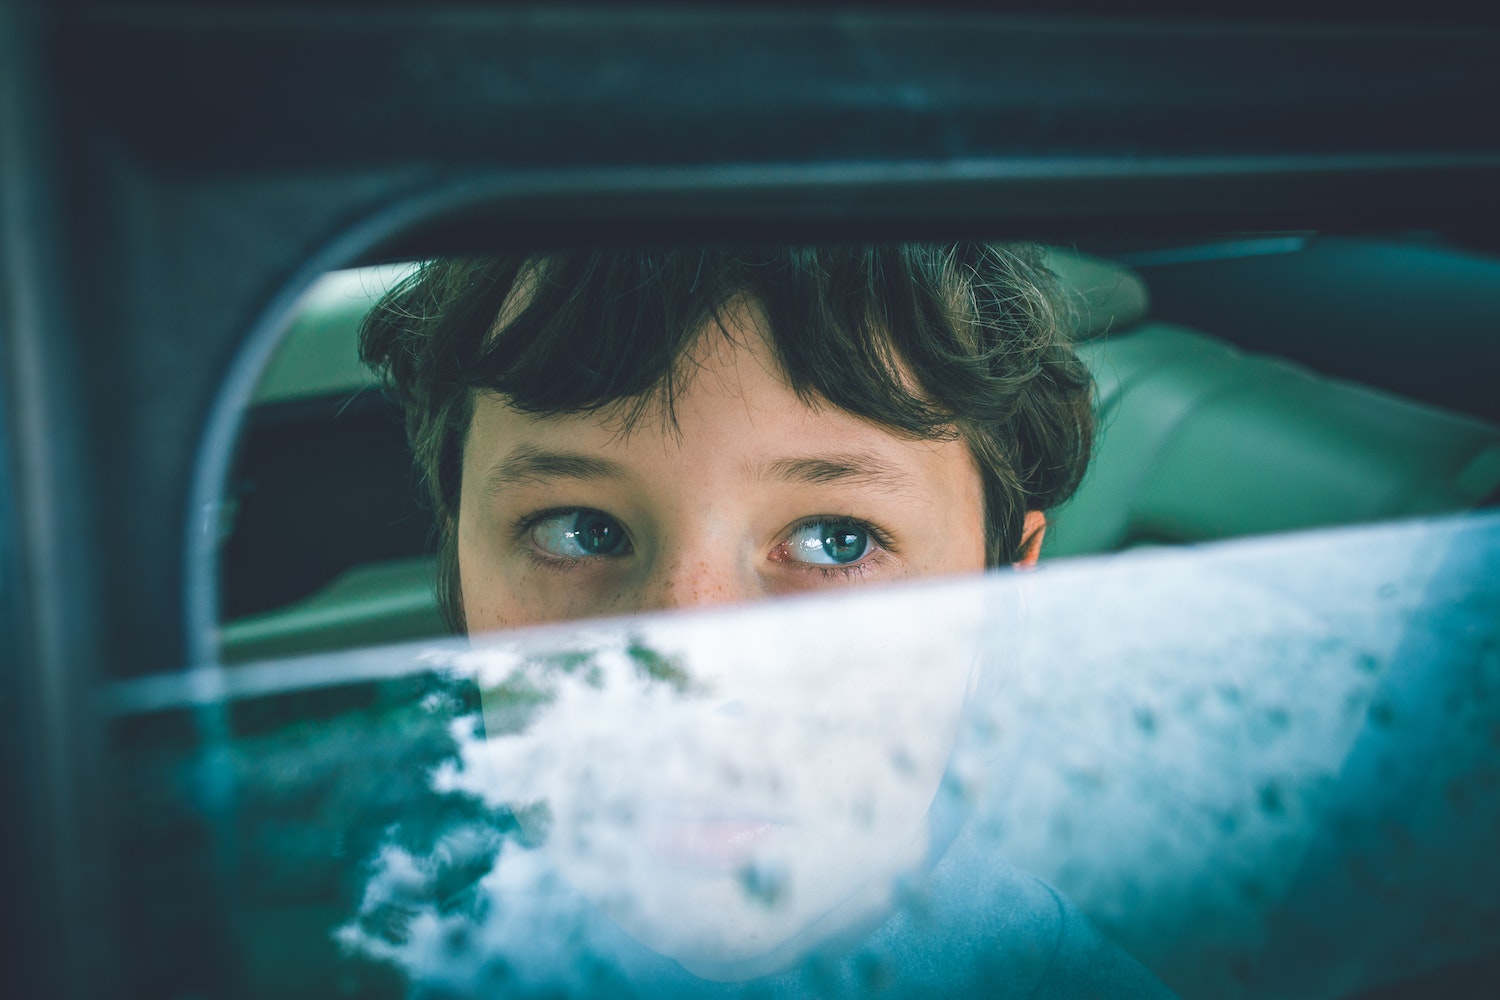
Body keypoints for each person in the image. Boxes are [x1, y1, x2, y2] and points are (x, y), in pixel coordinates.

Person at [351, 244, 1173, 996]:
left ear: (1004, 591)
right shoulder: (434, 943)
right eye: (583, 530)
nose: (688, 682)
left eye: (835, 541)